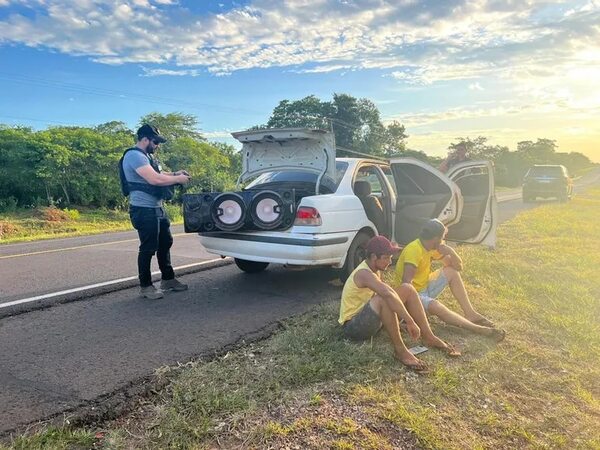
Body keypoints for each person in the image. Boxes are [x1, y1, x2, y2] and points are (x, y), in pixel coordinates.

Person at [339, 235, 461, 374]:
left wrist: (399, 320)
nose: (390, 262)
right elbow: (387, 295)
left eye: (390, 257)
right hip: (354, 327)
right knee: (384, 298)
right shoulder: (363, 273)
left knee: (407, 288)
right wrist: (409, 321)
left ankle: (429, 336)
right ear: (373, 257)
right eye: (386, 257)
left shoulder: (375, 270)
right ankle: (400, 351)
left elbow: (389, 293)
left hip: (370, 317)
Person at [394, 219, 505, 341]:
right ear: (436, 238)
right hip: (412, 295)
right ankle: (477, 328)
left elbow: (458, 267)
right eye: (443, 237)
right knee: (436, 306)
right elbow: (406, 286)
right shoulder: (414, 249)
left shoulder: (431, 247)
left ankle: (470, 313)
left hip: (424, 286)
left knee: (451, 272)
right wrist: (413, 312)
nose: (443, 240)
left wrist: (451, 252)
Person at [121, 124, 191, 299]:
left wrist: (175, 173)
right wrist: (179, 179)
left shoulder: (146, 157)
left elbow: (160, 172)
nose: (157, 145)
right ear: (145, 139)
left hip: (157, 208)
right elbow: (154, 179)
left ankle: (168, 279)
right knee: (148, 248)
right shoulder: (134, 156)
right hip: (143, 210)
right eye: (155, 141)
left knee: (165, 243)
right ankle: (145, 286)